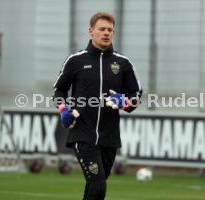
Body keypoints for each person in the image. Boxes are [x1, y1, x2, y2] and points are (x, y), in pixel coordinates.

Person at [53, 12, 142, 200]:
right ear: (91, 31)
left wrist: (125, 102)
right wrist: (63, 110)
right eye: (102, 29)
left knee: (95, 188)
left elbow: (137, 94)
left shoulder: (123, 63)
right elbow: (59, 91)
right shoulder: (75, 61)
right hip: (83, 135)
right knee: (98, 185)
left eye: (110, 30)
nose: (106, 33)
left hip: (109, 138)